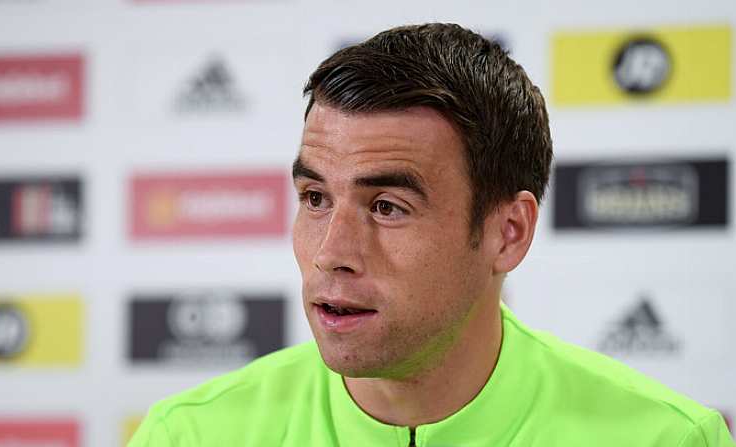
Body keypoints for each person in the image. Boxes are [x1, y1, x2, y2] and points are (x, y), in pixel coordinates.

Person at [129, 23, 734, 446]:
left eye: (388, 207)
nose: (332, 252)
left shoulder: (666, 438)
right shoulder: (188, 435)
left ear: (509, 232)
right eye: (315, 199)